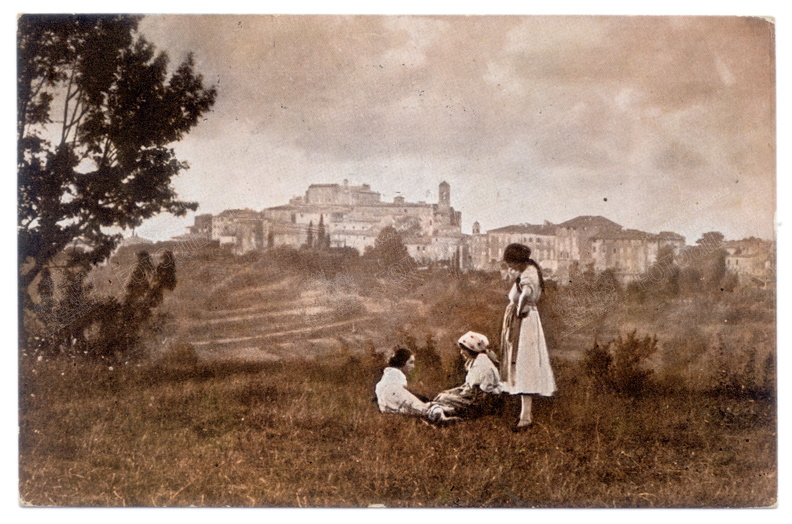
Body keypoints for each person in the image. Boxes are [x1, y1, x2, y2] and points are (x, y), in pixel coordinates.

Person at [500, 243, 556, 429]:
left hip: (525, 322)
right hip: (524, 321)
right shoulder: (528, 271)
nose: (511, 268)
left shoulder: (529, 274)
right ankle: (525, 415)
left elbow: (527, 292)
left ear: (518, 261)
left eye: (511, 264)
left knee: (525, 364)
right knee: (522, 364)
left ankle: (526, 417)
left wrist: (518, 309)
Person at [426, 332, 507, 420]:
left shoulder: (482, 365)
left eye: (463, 349)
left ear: (471, 349)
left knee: (443, 398)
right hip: (473, 397)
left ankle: (438, 413)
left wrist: (454, 395)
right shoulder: (475, 361)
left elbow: (484, 391)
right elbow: (468, 386)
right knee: (442, 396)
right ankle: (441, 413)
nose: (461, 352)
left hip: (479, 402)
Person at [374, 347, 458, 424]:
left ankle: (436, 415)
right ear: (402, 362)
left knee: (423, 407)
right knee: (428, 407)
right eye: (410, 362)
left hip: (387, 409)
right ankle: (439, 416)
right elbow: (402, 395)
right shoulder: (396, 375)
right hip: (395, 403)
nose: (413, 366)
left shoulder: (387, 376)